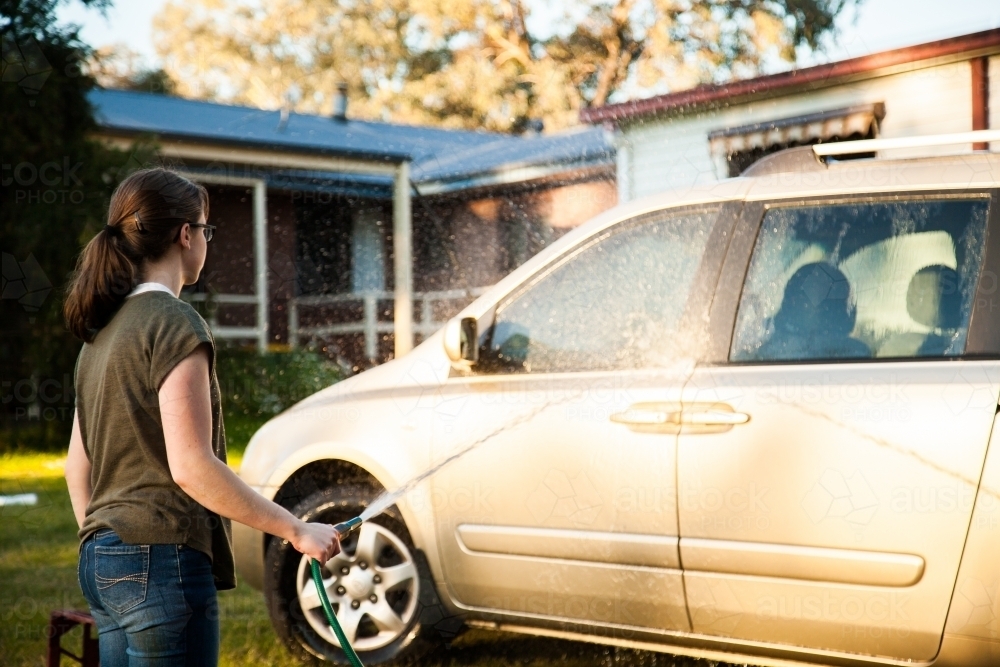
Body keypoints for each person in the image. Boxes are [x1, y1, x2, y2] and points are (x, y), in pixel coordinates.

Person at [62, 168, 340, 666]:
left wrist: (108, 541)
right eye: (207, 230)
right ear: (185, 235)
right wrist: (297, 530)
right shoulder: (173, 323)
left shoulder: (98, 337)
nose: (206, 241)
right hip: (163, 561)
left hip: (102, 562)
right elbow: (192, 467)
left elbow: (75, 469)